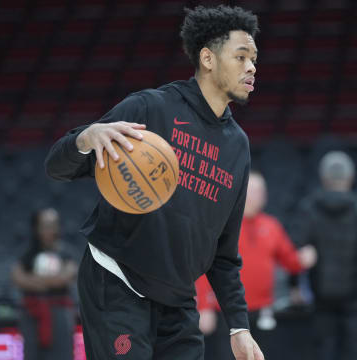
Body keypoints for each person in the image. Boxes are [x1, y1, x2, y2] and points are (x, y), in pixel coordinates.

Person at [44, 5, 264, 360]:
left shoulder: (238, 145)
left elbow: (223, 254)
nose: (252, 67)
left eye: (254, 58)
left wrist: (239, 326)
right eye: (241, 57)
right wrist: (85, 138)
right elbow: (57, 165)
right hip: (117, 281)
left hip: (177, 298)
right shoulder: (150, 108)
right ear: (208, 58)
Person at [196, 171, 316, 359]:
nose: (256, 196)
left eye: (260, 191)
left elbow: (290, 261)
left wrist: (302, 259)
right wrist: (204, 305)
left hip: (261, 313)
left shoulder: (271, 225)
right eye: (251, 191)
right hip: (227, 314)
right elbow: (205, 265)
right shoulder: (223, 224)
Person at [293, 151, 357, 360]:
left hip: (320, 297)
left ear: (324, 178)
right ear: (350, 177)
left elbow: (297, 254)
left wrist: (294, 286)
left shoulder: (308, 208)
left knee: (323, 351)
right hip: (353, 298)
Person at [11, 208, 78, 360]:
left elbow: (66, 276)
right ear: (36, 228)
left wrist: (35, 280)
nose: (50, 230)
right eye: (45, 225)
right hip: (32, 312)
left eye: (53, 225)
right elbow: (17, 277)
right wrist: (52, 281)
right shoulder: (27, 253)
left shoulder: (66, 252)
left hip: (60, 312)